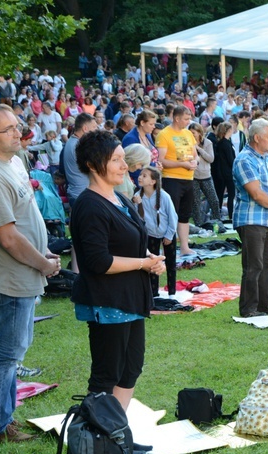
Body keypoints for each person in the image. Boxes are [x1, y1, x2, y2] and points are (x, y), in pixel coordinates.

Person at [70, 130, 165, 415]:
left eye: (124, 159)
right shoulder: (88, 205)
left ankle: (116, 433)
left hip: (130, 297)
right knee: (107, 374)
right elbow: (99, 261)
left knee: (131, 368)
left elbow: (134, 242)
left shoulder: (120, 199)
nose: (125, 166)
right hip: (107, 300)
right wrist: (143, 264)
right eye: (116, 160)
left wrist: (150, 258)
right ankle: (94, 439)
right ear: (92, 165)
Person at [0, 105, 60, 443]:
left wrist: (43, 250)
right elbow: (7, 238)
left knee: (11, 351)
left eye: (17, 125)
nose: (18, 133)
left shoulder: (16, 162)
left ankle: (2, 419)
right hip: (9, 278)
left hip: (27, 269)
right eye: (7, 130)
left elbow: (24, 220)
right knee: (5, 355)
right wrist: (43, 264)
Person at [232, 118, 268, 318]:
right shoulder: (244, 159)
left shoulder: (265, 158)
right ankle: (248, 309)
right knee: (254, 265)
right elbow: (255, 193)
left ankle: (266, 305)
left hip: (267, 218)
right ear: (256, 138)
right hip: (251, 219)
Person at [156, 106, 197, 256]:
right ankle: (168, 246)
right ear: (177, 118)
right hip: (172, 178)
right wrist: (182, 164)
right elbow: (162, 160)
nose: (188, 122)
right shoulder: (164, 134)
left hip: (188, 178)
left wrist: (195, 162)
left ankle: (184, 246)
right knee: (170, 214)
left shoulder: (188, 133)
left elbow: (194, 153)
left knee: (185, 214)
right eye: (186, 119)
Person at [134, 166, 178, 298]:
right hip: (150, 234)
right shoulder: (137, 196)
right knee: (153, 263)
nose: (140, 177)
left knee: (170, 262)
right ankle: (154, 293)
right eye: (140, 175)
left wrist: (169, 234)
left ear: (153, 181)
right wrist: (137, 204)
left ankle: (172, 293)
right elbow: (137, 219)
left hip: (167, 233)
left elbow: (173, 216)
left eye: (144, 175)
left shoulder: (164, 196)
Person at [188, 122, 221, 229]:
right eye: (190, 133)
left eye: (194, 133)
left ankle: (217, 222)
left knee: (214, 200)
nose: (192, 135)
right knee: (195, 203)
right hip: (193, 176)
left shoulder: (207, 143)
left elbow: (211, 158)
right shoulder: (187, 143)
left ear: (199, 133)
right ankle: (199, 225)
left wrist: (198, 149)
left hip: (206, 175)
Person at [214, 122, 236, 221]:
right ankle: (231, 213)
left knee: (220, 194)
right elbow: (230, 159)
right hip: (227, 172)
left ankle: (218, 213)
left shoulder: (222, 142)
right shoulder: (225, 144)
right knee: (231, 194)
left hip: (222, 172)